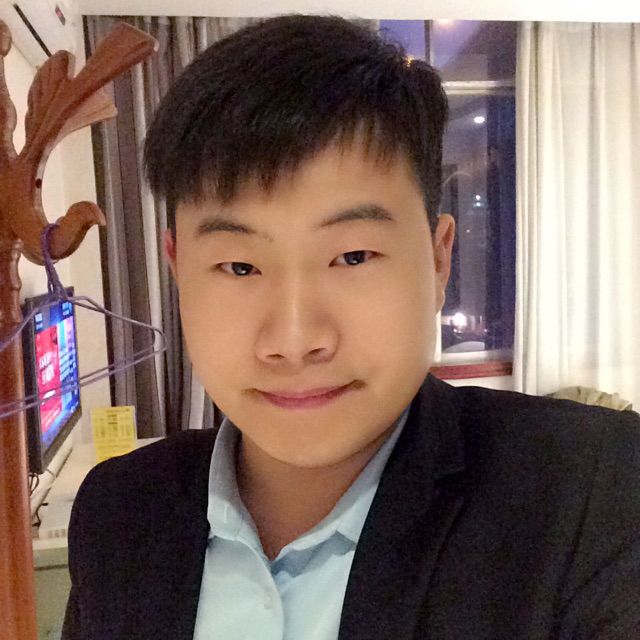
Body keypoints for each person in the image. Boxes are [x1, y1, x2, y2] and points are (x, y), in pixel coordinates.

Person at [62, 14, 640, 640]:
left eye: (354, 256)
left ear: (439, 259)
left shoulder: (593, 493)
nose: (294, 340)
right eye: (239, 266)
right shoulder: (118, 512)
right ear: (178, 268)